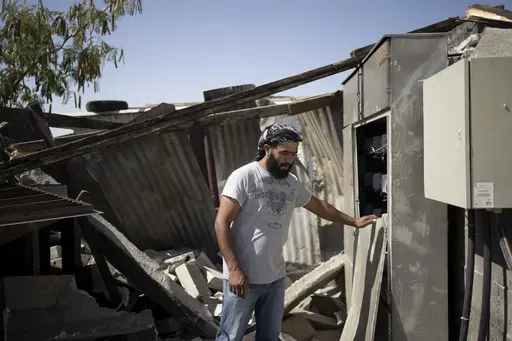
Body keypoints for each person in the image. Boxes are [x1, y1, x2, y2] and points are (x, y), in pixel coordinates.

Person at [214, 123, 377, 341]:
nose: (289, 160)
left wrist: (354, 221)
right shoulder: (244, 176)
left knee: (270, 337)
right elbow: (221, 222)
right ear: (266, 148)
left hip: (274, 279)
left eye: (293, 154)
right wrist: (234, 269)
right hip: (242, 278)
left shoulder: (291, 183)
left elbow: (319, 206)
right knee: (230, 337)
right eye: (284, 153)